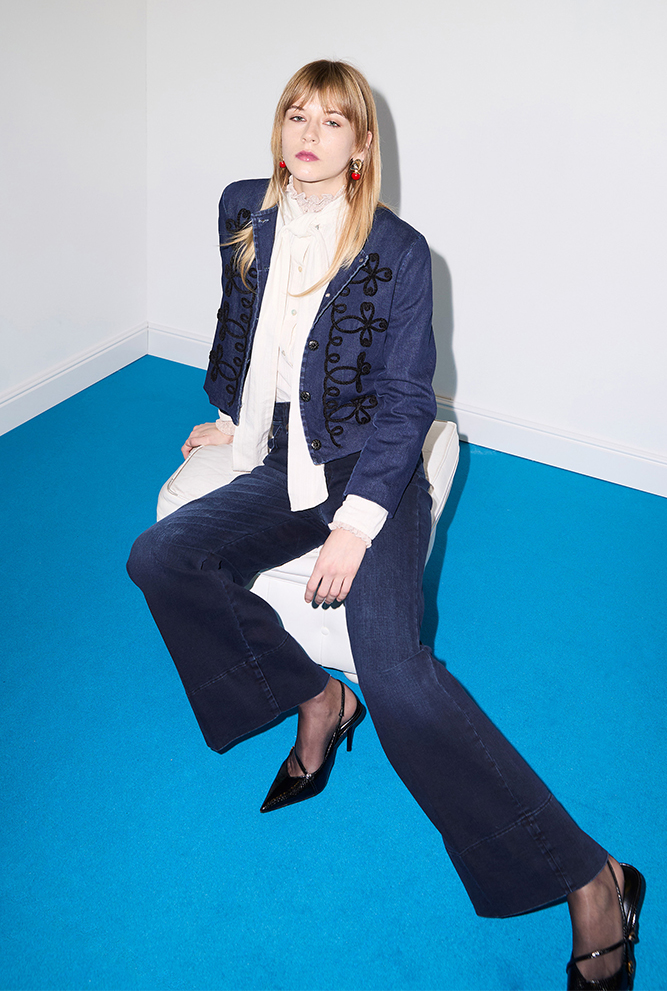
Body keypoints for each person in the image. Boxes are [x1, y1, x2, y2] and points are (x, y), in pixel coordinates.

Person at [127, 60, 644, 989]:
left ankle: (591, 877)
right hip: (285, 459)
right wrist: (231, 416)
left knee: (399, 675)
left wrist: (356, 526)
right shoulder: (243, 207)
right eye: (296, 114)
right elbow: (240, 324)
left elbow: (408, 401)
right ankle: (316, 699)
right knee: (162, 557)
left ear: (362, 145)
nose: (308, 134)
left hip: (376, 470)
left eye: (332, 121)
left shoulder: (400, 252)